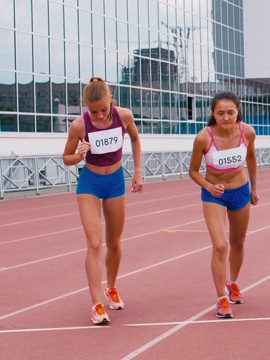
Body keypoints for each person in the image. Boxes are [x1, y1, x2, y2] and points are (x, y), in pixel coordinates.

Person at [62, 77, 143, 325]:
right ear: (86, 107)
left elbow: (135, 139)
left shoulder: (124, 116)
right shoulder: (78, 125)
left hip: (115, 182)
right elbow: (66, 157)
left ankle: (111, 287)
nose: (98, 115)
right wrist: (78, 155)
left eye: (103, 110)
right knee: (95, 244)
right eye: (93, 111)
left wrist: (138, 170)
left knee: (115, 244)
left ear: (111, 100)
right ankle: (96, 304)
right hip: (90, 183)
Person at [189, 91, 258, 319]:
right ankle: (221, 299)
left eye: (230, 112)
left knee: (237, 242)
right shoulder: (203, 138)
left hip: (240, 190)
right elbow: (193, 171)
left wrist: (254, 188)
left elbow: (251, 160)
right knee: (220, 246)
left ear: (238, 111)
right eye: (221, 113)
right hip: (214, 195)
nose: (226, 117)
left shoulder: (247, 132)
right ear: (213, 114)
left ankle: (233, 283)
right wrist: (209, 187)